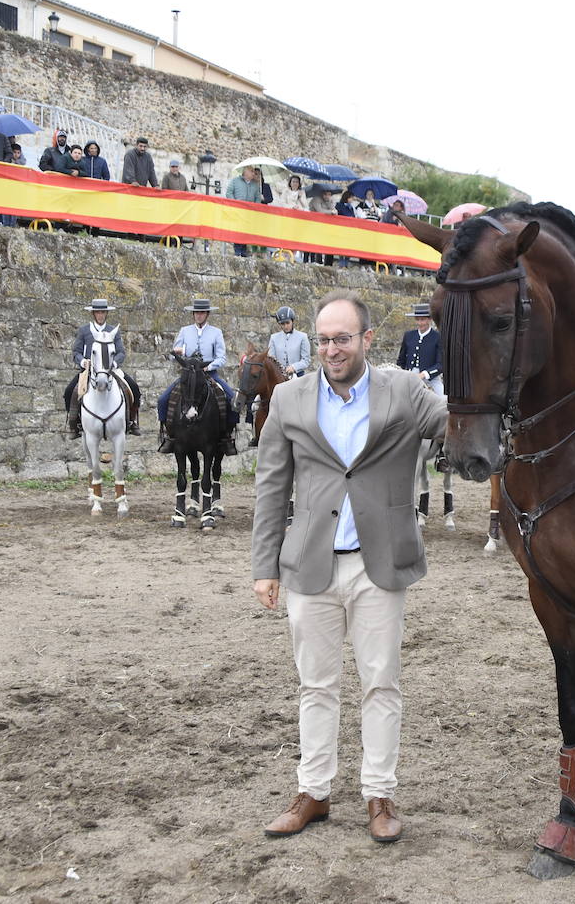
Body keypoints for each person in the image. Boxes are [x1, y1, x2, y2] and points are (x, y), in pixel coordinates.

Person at [252, 292, 447, 845]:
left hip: (378, 564)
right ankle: (312, 793)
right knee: (315, 685)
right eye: (324, 339)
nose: (332, 349)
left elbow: (452, 423)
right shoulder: (289, 399)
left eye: (342, 338)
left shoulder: (406, 390)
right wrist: (264, 566)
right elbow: (271, 488)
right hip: (308, 565)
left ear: (366, 339)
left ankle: (378, 795)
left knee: (381, 684)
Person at [157, 298, 239, 456]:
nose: (199, 315)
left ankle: (227, 438)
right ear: (193, 314)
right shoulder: (184, 331)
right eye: (196, 313)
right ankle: (169, 436)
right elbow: (175, 354)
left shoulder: (216, 332)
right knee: (163, 399)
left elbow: (221, 358)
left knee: (232, 399)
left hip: (209, 374)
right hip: (189, 376)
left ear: (207, 314)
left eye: (202, 313)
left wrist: (210, 366)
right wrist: (177, 353)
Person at [65, 298, 142, 437]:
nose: (100, 315)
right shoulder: (84, 330)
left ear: (106, 313)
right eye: (97, 312)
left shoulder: (113, 330)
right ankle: (74, 424)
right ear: (93, 314)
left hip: (111, 369)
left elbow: (121, 352)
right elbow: (76, 351)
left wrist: (114, 363)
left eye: (103, 312)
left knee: (134, 388)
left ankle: (131, 421)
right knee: (70, 391)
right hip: (89, 370)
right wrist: (83, 362)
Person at [394, 303, 443, 393]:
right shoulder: (408, 335)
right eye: (417, 320)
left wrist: (424, 374)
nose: (420, 323)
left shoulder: (438, 337)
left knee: (443, 399)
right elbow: (401, 360)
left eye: (423, 320)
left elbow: (440, 365)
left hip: (430, 378)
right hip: (409, 376)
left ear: (429, 319)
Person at [226, 165, 264, 257]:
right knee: (238, 230)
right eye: (251, 171)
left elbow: (257, 198)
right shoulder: (235, 181)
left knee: (246, 231)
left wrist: (255, 207)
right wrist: (235, 203)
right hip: (238, 211)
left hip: (249, 213)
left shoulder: (255, 185)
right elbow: (229, 193)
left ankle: (244, 251)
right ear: (245, 171)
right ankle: (237, 251)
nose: (253, 173)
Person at [268, 306, 312, 378]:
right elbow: (271, 359)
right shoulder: (273, 338)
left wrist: (294, 367)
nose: (285, 326)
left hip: (298, 375)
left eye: (288, 323)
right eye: (282, 324)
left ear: (292, 321)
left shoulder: (302, 337)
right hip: (279, 376)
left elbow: (306, 360)